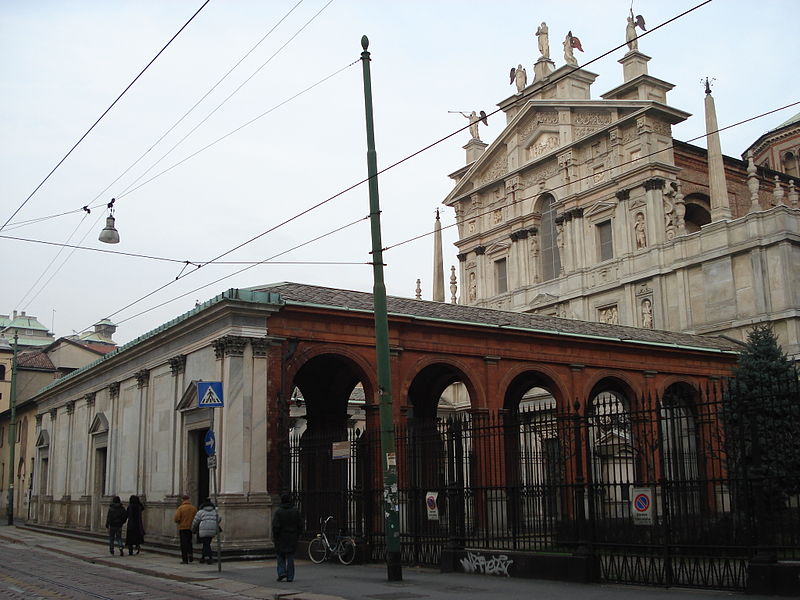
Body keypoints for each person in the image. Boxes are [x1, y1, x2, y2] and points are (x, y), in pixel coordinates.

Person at [272, 494, 303, 583]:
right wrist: (298, 534)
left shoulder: (279, 512)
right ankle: (290, 576)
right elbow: (300, 524)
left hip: (281, 537)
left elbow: (275, 526)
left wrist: (275, 536)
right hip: (292, 536)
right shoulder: (295, 511)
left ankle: (281, 572)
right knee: (290, 557)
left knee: (280, 555)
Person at [192, 499, 221, 564]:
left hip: (203, 530)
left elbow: (196, 521)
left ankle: (210, 558)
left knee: (206, 544)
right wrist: (213, 523)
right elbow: (219, 518)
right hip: (212, 530)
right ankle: (203, 558)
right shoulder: (214, 512)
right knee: (207, 543)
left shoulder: (200, 512)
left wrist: (193, 529)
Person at [174, 494, 198, 564]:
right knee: (189, 542)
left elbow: (176, 518)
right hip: (190, 528)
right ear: (188, 499)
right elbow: (196, 518)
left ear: (182, 500)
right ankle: (190, 554)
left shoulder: (180, 508)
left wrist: (180, 522)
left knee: (183, 544)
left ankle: (185, 559)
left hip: (183, 528)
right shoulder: (193, 508)